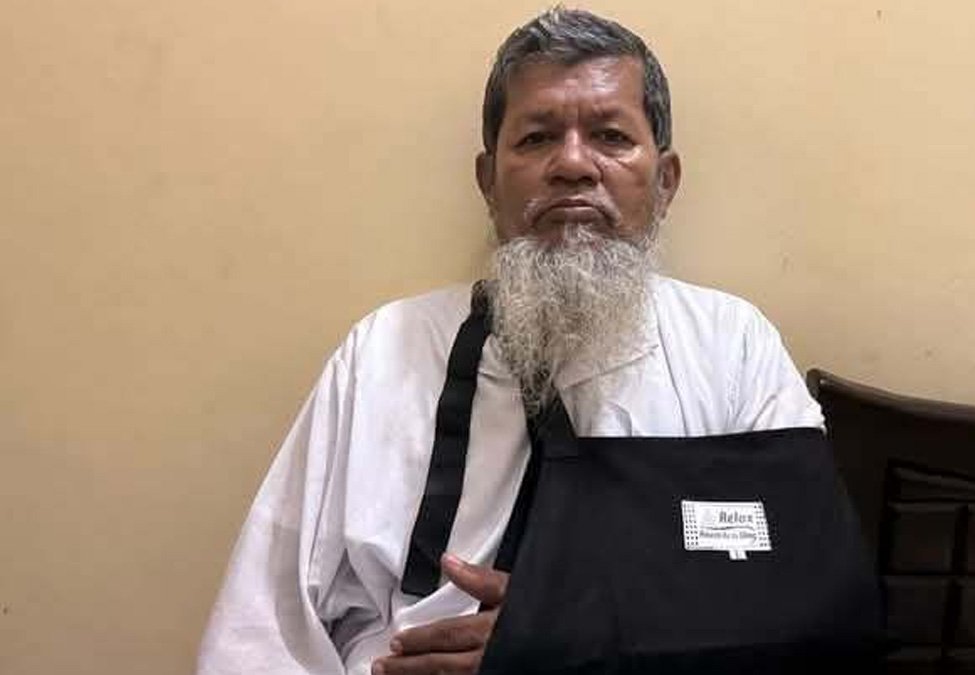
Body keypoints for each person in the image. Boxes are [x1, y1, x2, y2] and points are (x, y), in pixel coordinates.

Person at [196, 8, 838, 675]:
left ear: (666, 180)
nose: (572, 164)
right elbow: (261, 628)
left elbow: (806, 597)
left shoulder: (732, 346)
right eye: (536, 138)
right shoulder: (383, 351)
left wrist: (580, 637)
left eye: (611, 136)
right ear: (488, 180)